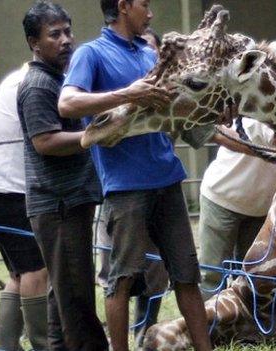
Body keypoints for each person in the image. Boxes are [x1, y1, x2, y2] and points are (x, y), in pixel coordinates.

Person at [57, 1, 212, 350]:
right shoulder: (91, 54)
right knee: (121, 281)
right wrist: (128, 94)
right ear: (124, 6)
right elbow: (67, 104)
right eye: (144, 4)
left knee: (187, 276)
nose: (151, 13)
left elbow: (175, 107)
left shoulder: (148, 53)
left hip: (168, 180)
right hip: (126, 189)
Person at [17, 2, 108, 349]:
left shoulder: (62, 79)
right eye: (54, 34)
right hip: (58, 205)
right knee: (77, 300)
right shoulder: (39, 85)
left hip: (71, 201)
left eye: (68, 31)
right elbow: (46, 142)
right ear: (34, 43)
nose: (66, 40)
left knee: (65, 295)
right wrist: (95, 135)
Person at [186, 40, 276, 300]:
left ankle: (239, 327)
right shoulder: (246, 100)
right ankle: (207, 329)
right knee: (211, 273)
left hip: (260, 208)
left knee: (250, 274)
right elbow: (270, 142)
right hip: (223, 198)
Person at [94, 25, 169, 347]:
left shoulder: (164, 96)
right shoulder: (116, 89)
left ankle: (145, 332)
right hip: (121, 192)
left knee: (156, 273)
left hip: (160, 188)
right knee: (118, 273)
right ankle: (118, 341)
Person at [0, 63, 48, 350]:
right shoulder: (34, 84)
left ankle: (7, 347)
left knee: (19, 272)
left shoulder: (22, 78)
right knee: (36, 272)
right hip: (5, 191)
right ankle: (43, 344)